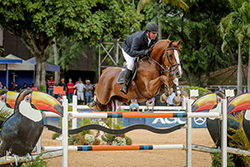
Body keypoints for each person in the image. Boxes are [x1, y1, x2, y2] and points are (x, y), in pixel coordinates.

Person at [120, 22, 158, 94]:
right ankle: (125, 84)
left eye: (156, 33)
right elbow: (133, 52)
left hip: (140, 50)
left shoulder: (155, 38)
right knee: (131, 63)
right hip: (128, 50)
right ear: (148, 32)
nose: (155, 35)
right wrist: (144, 52)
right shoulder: (138, 38)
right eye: (153, 33)